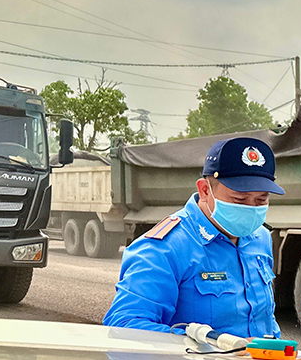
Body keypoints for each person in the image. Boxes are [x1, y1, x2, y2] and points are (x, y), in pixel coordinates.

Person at [103, 137, 284, 338]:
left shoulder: (261, 238)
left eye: (261, 200)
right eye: (239, 199)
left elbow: (263, 317)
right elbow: (123, 325)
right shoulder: (165, 248)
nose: (251, 208)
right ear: (205, 190)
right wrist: (212, 343)